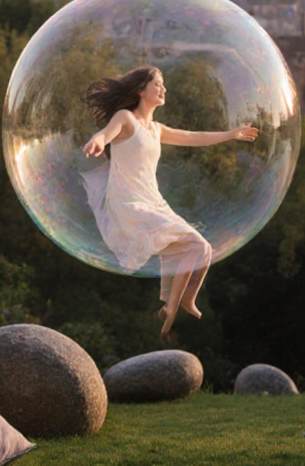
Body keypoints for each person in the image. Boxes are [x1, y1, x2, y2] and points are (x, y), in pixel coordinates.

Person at [80, 66, 258, 336]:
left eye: (163, 85)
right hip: (129, 203)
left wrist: (231, 134)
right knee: (194, 244)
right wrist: (98, 140)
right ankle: (175, 305)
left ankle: (179, 303)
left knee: (202, 250)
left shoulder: (156, 129)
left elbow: (192, 137)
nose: (163, 89)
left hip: (153, 201)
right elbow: (107, 132)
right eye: (158, 84)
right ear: (141, 89)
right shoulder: (126, 118)